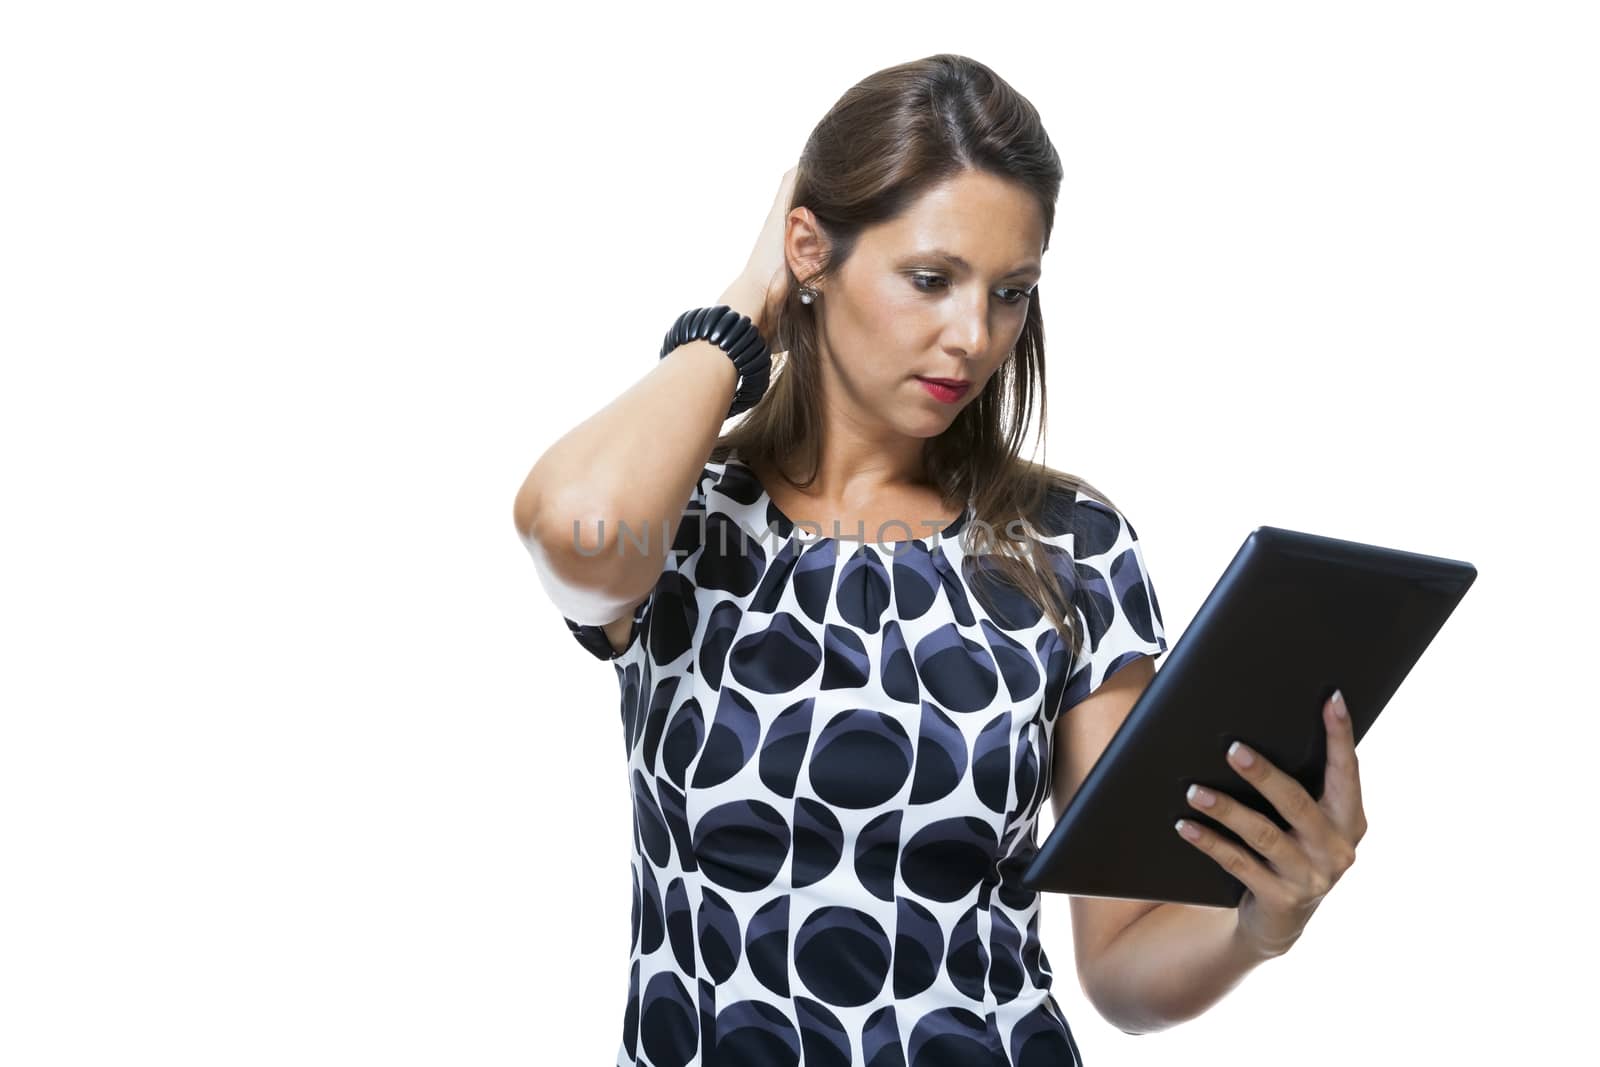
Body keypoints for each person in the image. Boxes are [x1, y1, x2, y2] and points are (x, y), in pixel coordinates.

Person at [513, 53, 1366, 1067]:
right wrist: (745, 312)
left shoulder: (1071, 547)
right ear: (809, 252)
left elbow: (1121, 970)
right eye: (930, 279)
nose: (973, 335)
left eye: (1010, 292)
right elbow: (571, 521)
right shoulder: (682, 521)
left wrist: (1256, 927)